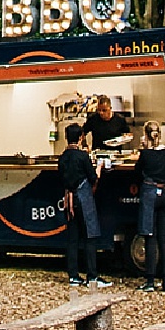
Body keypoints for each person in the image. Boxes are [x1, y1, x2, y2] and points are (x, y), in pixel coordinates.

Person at [56, 123, 109, 287]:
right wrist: (99, 167)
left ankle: (73, 276)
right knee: (89, 237)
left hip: (69, 199)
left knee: (72, 239)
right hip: (83, 198)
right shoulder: (83, 157)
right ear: (80, 138)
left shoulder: (63, 157)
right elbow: (93, 178)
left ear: (66, 138)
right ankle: (92, 275)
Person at [134, 121, 165, 292]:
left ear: (146, 135)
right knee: (164, 238)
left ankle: (150, 280)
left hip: (150, 194)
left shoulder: (145, 155)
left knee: (150, 236)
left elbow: (137, 173)